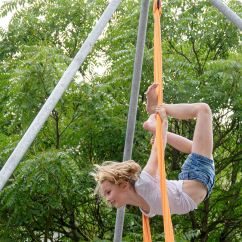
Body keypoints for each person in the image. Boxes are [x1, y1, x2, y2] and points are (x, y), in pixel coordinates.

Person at [91, 83, 215, 217]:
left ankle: (156, 109)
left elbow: (158, 152)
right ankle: (152, 125)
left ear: (124, 185)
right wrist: (158, 137)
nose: (107, 199)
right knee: (196, 146)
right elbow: (159, 183)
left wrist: (164, 124)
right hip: (198, 181)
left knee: (204, 110)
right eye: (106, 194)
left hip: (197, 177)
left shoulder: (143, 184)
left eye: (108, 192)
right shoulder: (144, 209)